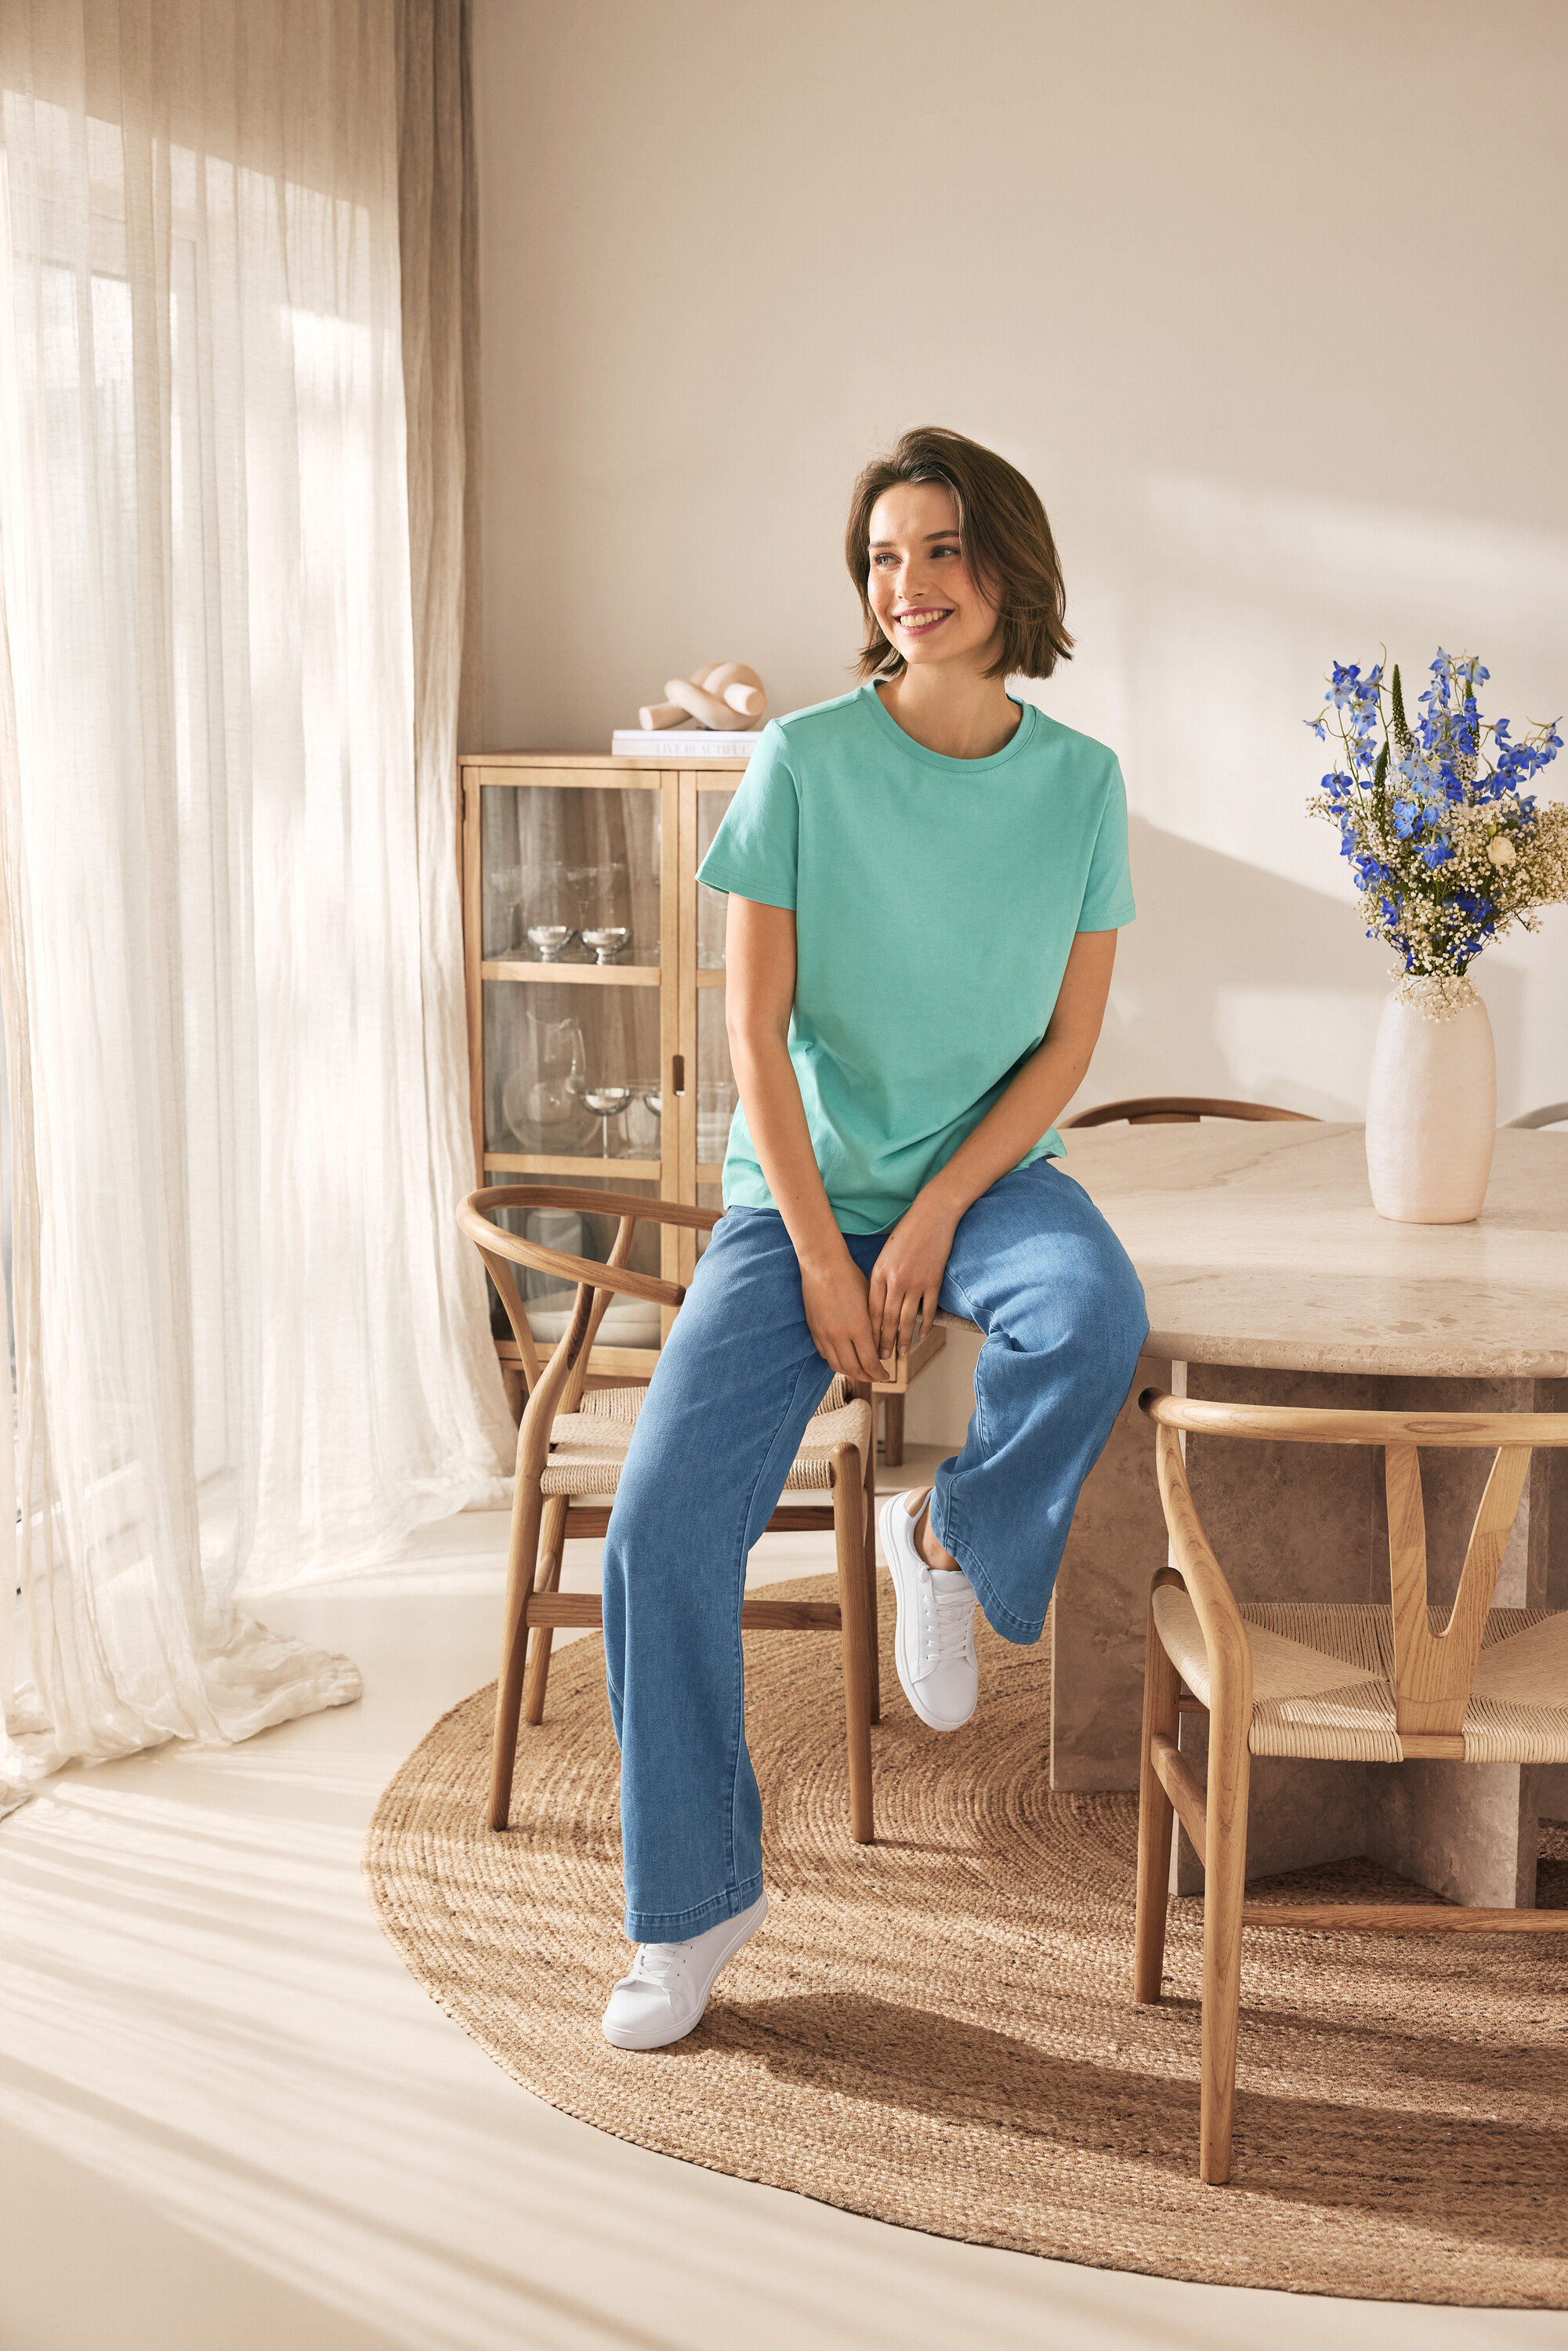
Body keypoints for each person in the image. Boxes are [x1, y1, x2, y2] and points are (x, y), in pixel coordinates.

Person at [598, 426, 1149, 2052]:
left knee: (1090, 1316)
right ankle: (690, 1911)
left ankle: (949, 1536)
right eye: (883, 558)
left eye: (940, 551)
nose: (907, 586)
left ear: (1009, 569)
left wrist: (929, 1216)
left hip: (985, 1182)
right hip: (793, 1200)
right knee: (656, 1532)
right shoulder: (803, 764)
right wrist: (832, 1258)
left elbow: (1061, 1052)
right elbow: (752, 1042)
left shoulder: (1079, 785)